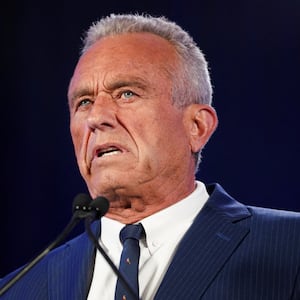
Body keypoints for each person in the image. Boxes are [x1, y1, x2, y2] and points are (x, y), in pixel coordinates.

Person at [0, 13, 300, 300]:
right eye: (84, 102)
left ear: (197, 127)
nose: (96, 117)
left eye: (127, 93)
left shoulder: (290, 247)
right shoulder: (19, 289)